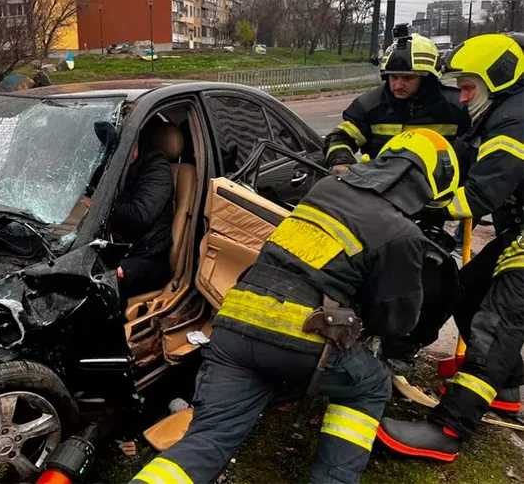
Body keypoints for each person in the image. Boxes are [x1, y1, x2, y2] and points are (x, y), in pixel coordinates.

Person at [129, 128, 460, 484]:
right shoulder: (402, 233)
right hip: (302, 339)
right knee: (370, 384)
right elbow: (396, 320)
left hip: (234, 327)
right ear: (430, 183)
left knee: (210, 436)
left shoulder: (327, 189)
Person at [378, 33, 524, 462]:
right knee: (467, 292)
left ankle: (447, 429)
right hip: (517, 235)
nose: (460, 99)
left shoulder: (516, 121)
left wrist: (420, 206)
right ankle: (506, 389)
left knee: (495, 328)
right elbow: (463, 154)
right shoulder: (503, 113)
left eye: (466, 87)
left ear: (494, 79)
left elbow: (480, 194)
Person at [324, 32, 470, 174]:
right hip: (380, 188)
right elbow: (340, 138)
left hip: (439, 191)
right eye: (394, 77)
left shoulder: (457, 107)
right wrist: (341, 162)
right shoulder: (369, 105)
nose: (398, 85)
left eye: (407, 78)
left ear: (427, 79)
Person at [112, 117, 176, 300]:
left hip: (149, 255)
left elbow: (141, 215)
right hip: (116, 246)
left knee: (104, 282)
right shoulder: (108, 166)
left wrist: (98, 208)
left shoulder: (156, 166)